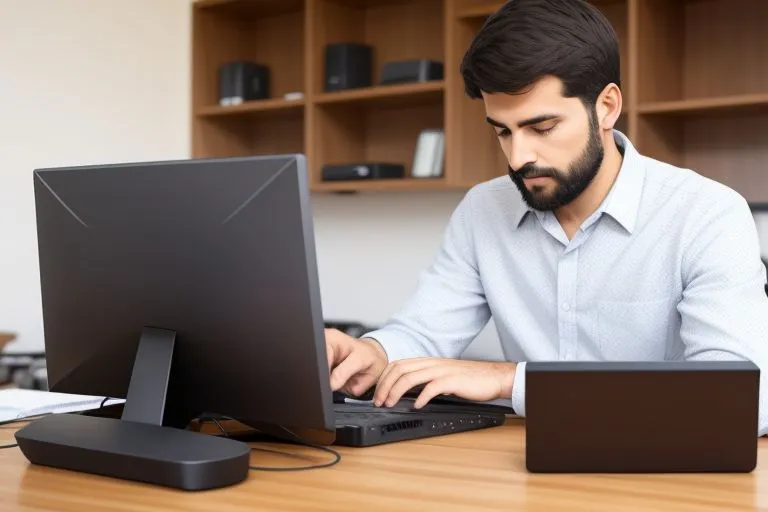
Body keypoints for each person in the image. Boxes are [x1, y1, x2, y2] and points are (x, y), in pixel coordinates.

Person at [325, 0, 768, 435]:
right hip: (528, 475)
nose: (519, 157)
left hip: (660, 473)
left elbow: (744, 398)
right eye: (503, 130)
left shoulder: (706, 214)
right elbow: (423, 333)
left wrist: (510, 380)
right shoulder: (482, 211)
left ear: (607, 107)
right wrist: (374, 353)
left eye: (542, 128)